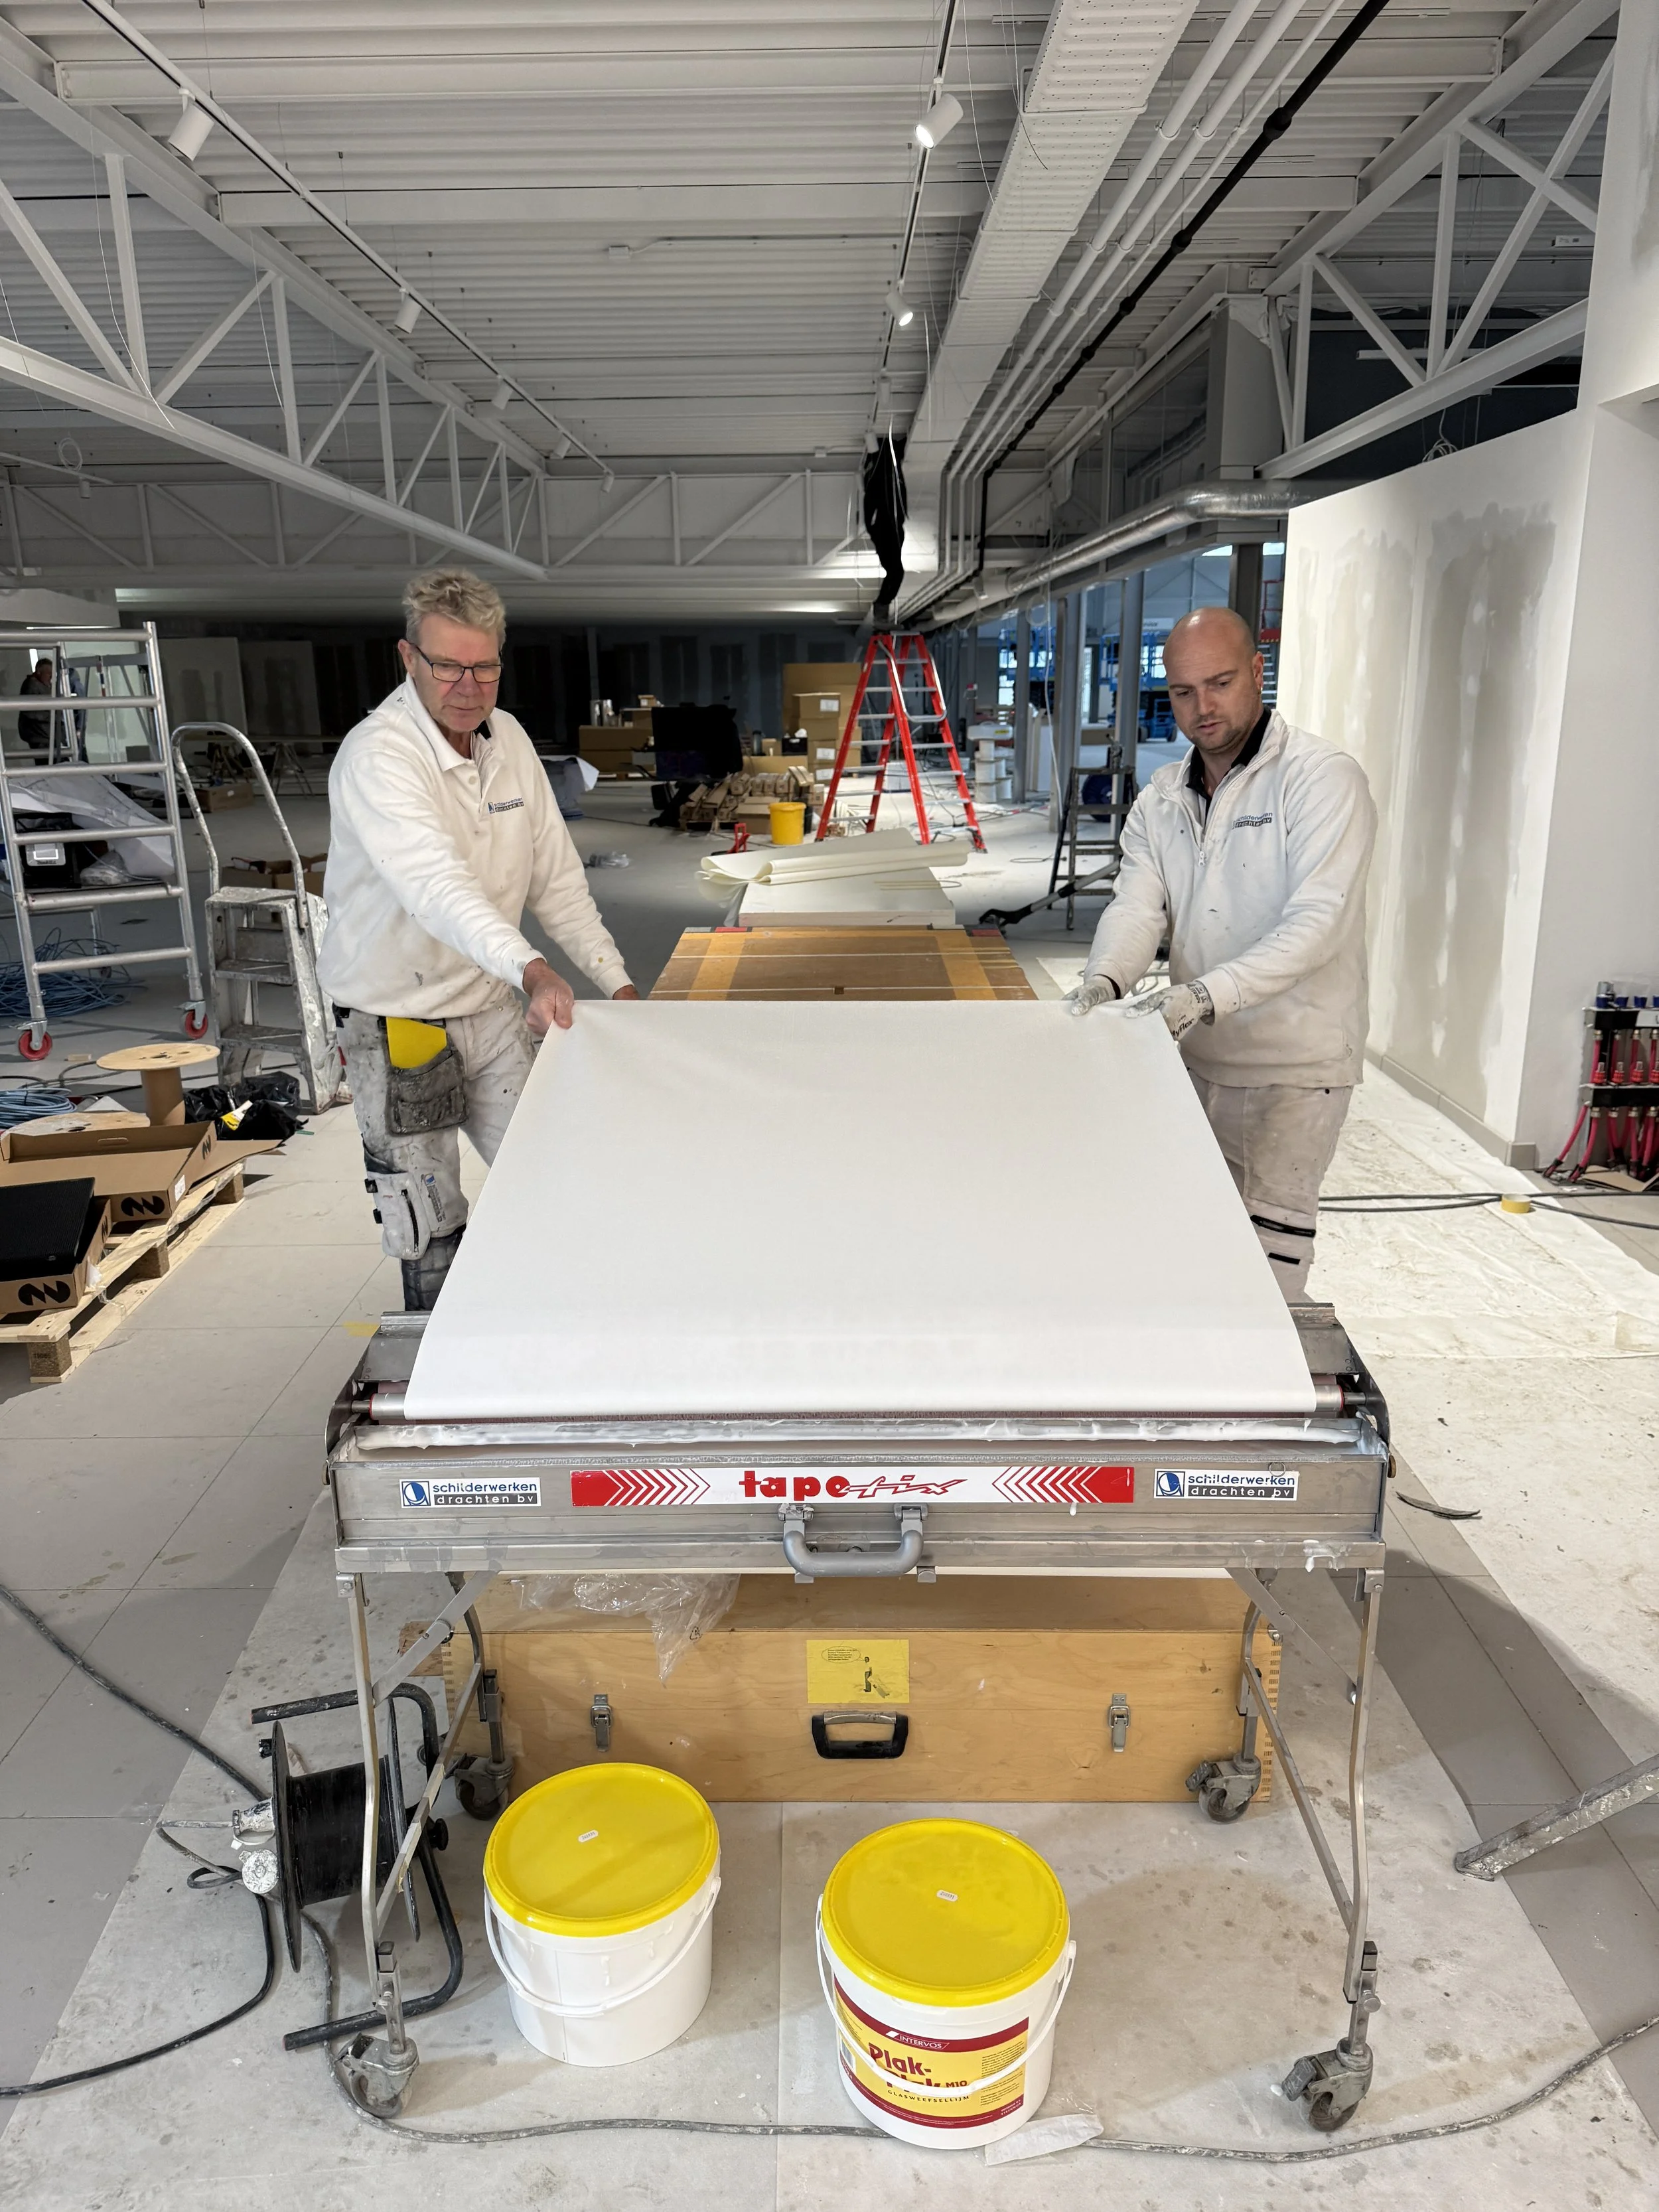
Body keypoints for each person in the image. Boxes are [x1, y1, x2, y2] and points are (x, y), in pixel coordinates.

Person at [319, 567, 640, 1308]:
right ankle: (443, 1381)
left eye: (485, 665)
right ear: (409, 659)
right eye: (448, 665)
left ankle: (556, 1333)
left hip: (488, 1006)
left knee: (556, 1175)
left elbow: (555, 878)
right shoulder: (380, 756)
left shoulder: (509, 740)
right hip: (399, 1021)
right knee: (429, 1222)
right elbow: (438, 890)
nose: (468, 685)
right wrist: (533, 971)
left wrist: (618, 986)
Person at [1068, 605, 1376, 1300]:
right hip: (1201, 1059)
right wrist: (1103, 982)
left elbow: (1316, 922)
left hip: (1295, 1066)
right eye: (1181, 691)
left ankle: (1266, 1397)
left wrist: (1203, 995)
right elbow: (1138, 905)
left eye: (1220, 683)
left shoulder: (1320, 779)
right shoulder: (1163, 797)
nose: (1201, 707)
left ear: (1258, 673)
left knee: (1266, 1267)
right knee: (1200, 1243)